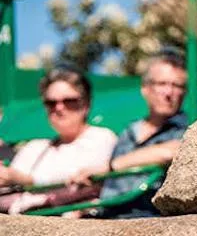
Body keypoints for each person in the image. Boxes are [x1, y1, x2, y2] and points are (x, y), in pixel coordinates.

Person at [72, 49, 189, 218]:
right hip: (107, 215)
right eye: (162, 84)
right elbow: (110, 185)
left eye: (176, 85)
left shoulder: (186, 129)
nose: (169, 92)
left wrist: (110, 166)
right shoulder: (129, 131)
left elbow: (169, 151)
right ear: (145, 88)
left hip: (150, 217)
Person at [0, 65, 117, 214]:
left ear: (86, 104)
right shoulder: (35, 147)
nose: (59, 108)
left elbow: (82, 180)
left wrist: (23, 179)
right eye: (51, 103)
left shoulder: (102, 138)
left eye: (69, 101)